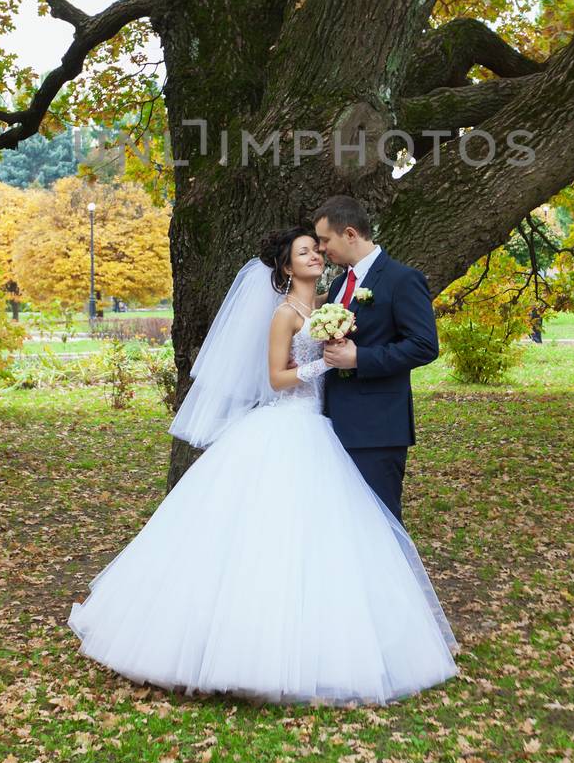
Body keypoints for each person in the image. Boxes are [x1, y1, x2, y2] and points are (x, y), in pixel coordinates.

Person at [68, 224, 458, 706]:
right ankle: (247, 652)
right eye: (305, 251)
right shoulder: (284, 314)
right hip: (286, 428)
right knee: (268, 541)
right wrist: (325, 365)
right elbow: (277, 379)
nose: (317, 255)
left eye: (318, 249)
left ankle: (329, 645)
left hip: (325, 430)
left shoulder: (333, 304)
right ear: (285, 266)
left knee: (326, 544)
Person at [314, 195, 440, 525]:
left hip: (377, 429)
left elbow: (424, 345)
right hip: (330, 424)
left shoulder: (402, 279)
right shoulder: (340, 284)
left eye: (326, 240)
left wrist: (361, 358)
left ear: (350, 234)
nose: (322, 249)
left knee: (378, 525)